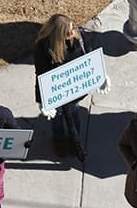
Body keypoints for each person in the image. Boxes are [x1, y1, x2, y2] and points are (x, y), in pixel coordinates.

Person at [34, 14, 109, 161]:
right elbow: (41, 74)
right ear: (57, 34)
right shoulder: (43, 48)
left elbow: (90, 56)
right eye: (67, 32)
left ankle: (74, 140)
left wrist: (101, 75)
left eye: (72, 28)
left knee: (74, 113)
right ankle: (59, 140)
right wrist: (42, 99)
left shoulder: (79, 38)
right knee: (58, 118)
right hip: (57, 94)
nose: (71, 33)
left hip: (75, 91)